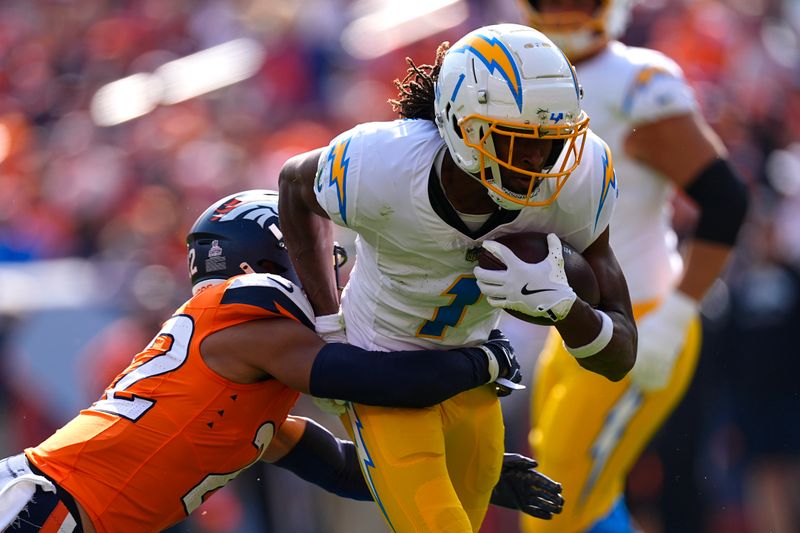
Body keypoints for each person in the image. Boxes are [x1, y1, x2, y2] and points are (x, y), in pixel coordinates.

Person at [0, 189, 564, 533]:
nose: (327, 273)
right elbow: (368, 379)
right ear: (269, 255)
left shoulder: (238, 381)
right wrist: (481, 362)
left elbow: (347, 469)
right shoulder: (242, 320)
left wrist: (474, 476)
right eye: (310, 253)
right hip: (43, 510)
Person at [279, 23, 637, 533]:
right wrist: (328, 322)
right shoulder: (381, 163)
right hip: (382, 370)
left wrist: (566, 308)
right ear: (462, 126)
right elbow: (295, 186)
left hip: (472, 376)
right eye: (517, 143)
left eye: (552, 143)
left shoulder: (581, 179)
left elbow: (620, 356)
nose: (539, 163)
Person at [513, 1, 749, 531]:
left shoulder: (637, 82)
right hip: (568, 320)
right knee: (577, 497)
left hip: (639, 318)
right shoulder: (515, 75)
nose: (564, 11)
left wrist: (679, 313)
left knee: (555, 506)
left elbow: (726, 199)